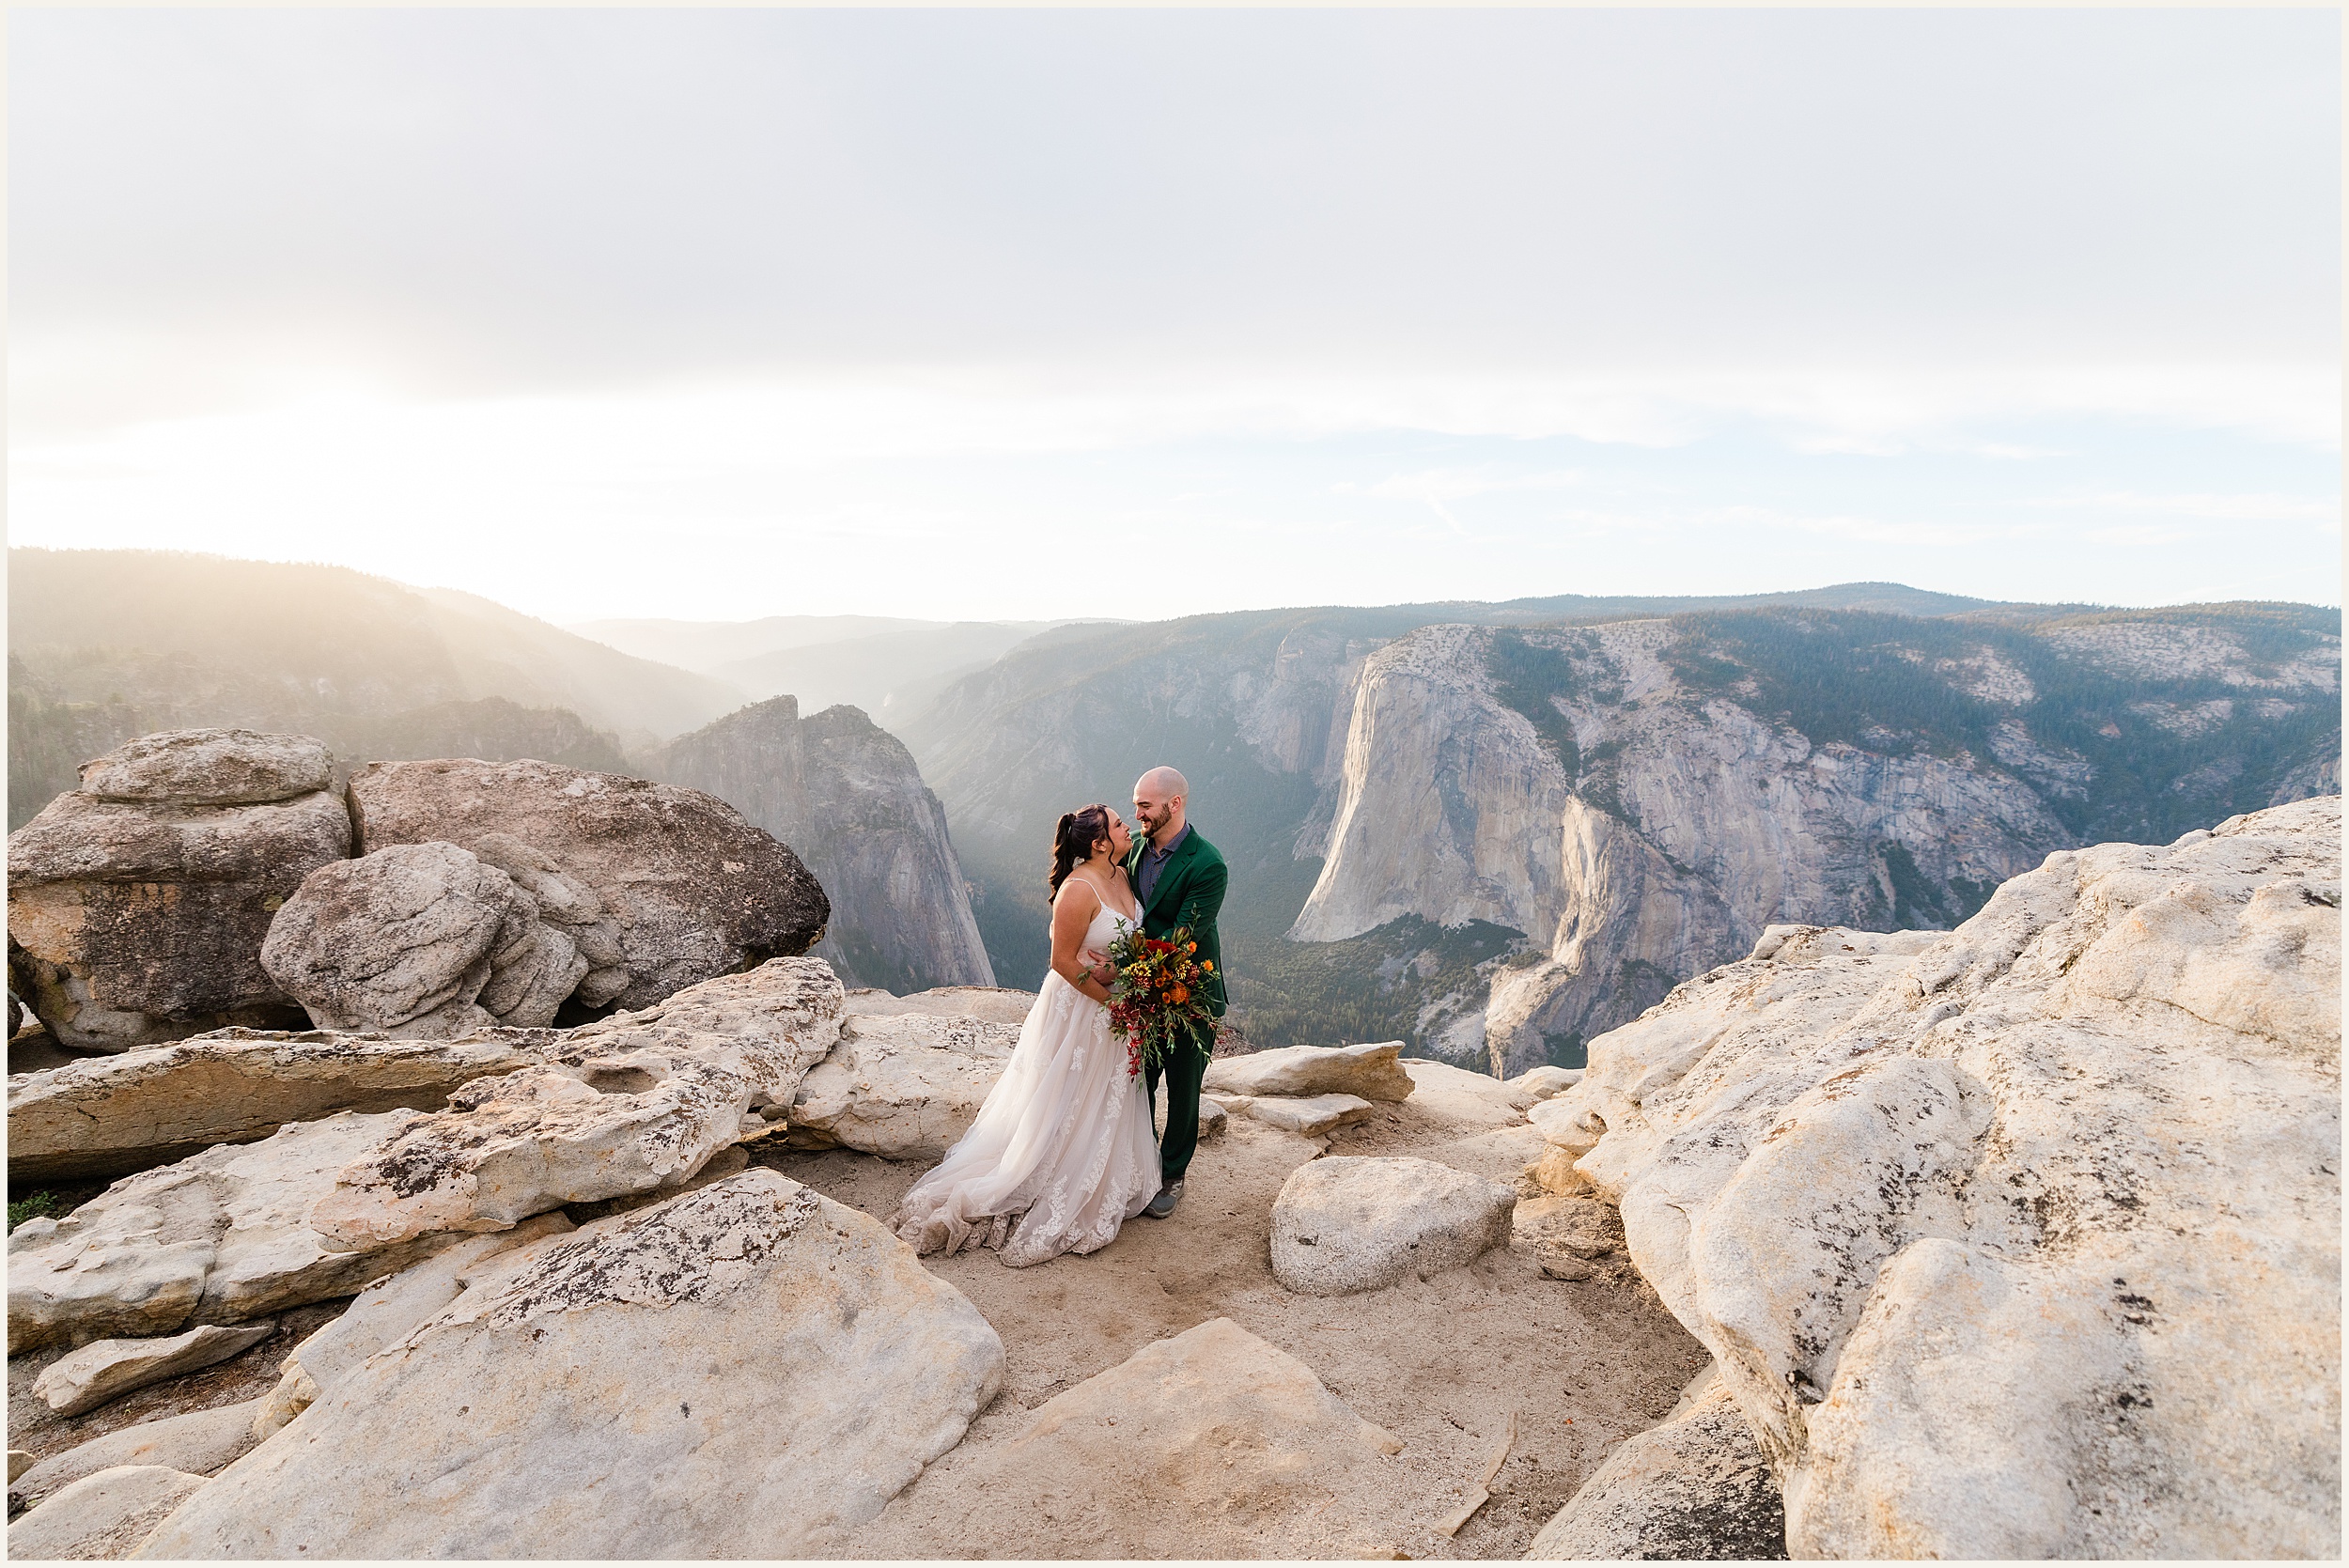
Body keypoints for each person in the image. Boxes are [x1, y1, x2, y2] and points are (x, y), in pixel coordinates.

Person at [889, 803, 1161, 1266]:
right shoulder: (1078, 889)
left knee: (1103, 1095)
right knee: (1065, 1094)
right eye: (1119, 825)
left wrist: (1125, 970)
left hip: (1114, 1005)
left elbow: (1123, 940)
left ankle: (1100, 1173)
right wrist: (1112, 1002)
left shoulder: (1120, 874)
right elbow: (1063, 961)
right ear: (1098, 843)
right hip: (1081, 1008)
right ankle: (1041, 1174)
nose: (1127, 828)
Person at [1120, 766, 1227, 1220]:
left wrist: (1122, 951)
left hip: (1192, 994)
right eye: (1136, 804)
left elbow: (1183, 937)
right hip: (1144, 990)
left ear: (1174, 804)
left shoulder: (1208, 864)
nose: (1137, 812)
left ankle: (1172, 1174)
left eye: (1145, 805)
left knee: (1184, 1089)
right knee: (1138, 1080)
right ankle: (1140, 1165)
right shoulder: (1136, 850)